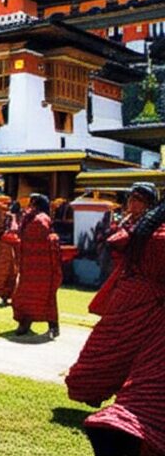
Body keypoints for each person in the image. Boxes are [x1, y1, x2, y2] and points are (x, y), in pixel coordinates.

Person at [65, 195, 164, 456]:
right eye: (131, 199)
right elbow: (113, 243)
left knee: (142, 384)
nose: (132, 204)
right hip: (141, 301)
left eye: (138, 200)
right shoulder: (149, 229)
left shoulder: (149, 227)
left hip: (139, 301)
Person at [12, 194, 61, 337]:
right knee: (25, 295)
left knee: (44, 296)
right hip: (29, 265)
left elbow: (39, 234)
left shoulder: (41, 219)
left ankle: (53, 326)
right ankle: (25, 322)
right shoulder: (30, 218)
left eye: (31, 203)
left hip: (42, 266)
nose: (29, 206)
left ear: (36, 204)